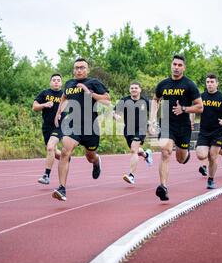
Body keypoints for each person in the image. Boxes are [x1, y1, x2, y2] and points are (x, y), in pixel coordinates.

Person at [52, 58, 110, 201]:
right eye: (77, 68)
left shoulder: (94, 82)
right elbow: (64, 97)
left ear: (87, 69)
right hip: (73, 124)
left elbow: (107, 100)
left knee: (90, 156)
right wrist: (58, 113)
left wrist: (90, 94)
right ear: (73, 70)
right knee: (65, 152)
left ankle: (96, 162)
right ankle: (62, 188)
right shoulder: (69, 84)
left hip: (91, 127)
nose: (79, 70)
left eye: (82, 67)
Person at [149, 55, 203, 201]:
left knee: (181, 158)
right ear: (171, 65)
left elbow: (200, 107)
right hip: (167, 124)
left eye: (180, 65)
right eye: (174, 64)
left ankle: (186, 154)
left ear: (184, 68)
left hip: (183, 127)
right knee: (165, 152)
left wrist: (184, 109)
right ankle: (163, 187)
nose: (176, 67)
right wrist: (152, 120)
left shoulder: (189, 85)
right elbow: (155, 100)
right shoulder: (163, 84)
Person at [195, 74, 222, 189]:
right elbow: (193, 110)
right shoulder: (201, 97)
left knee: (212, 156)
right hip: (204, 132)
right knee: (201, 155)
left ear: (217, 84)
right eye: (208, 82)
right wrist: (191, 122)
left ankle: (211, 179)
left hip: (218, 132)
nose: (209, 84)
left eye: (212, 82)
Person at [113, 82, 153, 185]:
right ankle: (146, 154)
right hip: (128, 130)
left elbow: (154, 109)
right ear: (130, 90)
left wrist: (152, 122)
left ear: (140, 90)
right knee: (134, 150)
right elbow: (115, 111)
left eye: (136, 88)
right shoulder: (125, 100)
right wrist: (115, 116)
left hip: (141, 128)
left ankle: (131, 176)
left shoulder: (145, 101)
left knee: (133, 150)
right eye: (132, 88)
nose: (134, 90)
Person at [33, 73, 65, 185]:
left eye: (58, 80)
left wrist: (62, 113)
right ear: (50, 82)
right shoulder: (44, 93)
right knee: (53, 151)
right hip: (47, 127)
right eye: (54, 80)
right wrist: (44, 105)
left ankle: (46, 175)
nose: (56, 82)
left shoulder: (64, 94)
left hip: (59, 126)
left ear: (61, 83)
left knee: (50, 148)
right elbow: (34, 106)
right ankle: (65, 157)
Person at [190, 113, 222, 178]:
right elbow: (194, 109)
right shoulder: (201, 102)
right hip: (205, 131)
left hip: (218, 133)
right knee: (207, 150)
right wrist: (191, 122)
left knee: (213, 152)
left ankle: (205, 167)